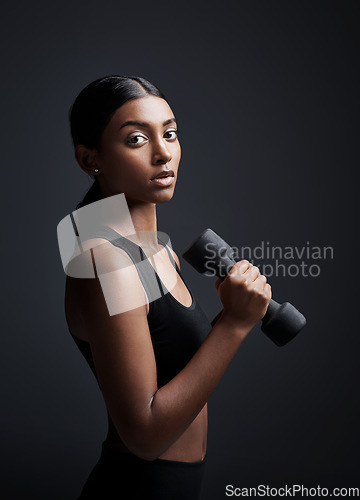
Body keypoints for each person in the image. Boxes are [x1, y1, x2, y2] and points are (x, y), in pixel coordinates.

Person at [63, 75, 272, 499]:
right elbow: (145, 436)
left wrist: (233, 311)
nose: (163, 153)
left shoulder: (162, 252)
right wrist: (233, 325)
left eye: (171, 133)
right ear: (90, 159)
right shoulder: (108, 263)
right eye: (137, 139)